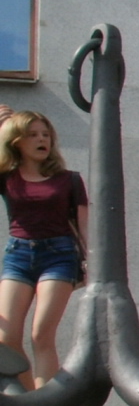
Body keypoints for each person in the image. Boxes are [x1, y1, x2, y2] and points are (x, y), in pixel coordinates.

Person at [0, 111, 88, 389]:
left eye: (46, 135)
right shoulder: (7, 177)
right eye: (33, 135)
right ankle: (28, 399)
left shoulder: (69, 180)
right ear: (16, 141)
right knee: (6, 337)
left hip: (59, 256)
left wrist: (92, 263)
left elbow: (85, 226)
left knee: (41, 334)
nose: (42, 140)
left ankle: (46, 402)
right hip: (18, 255)